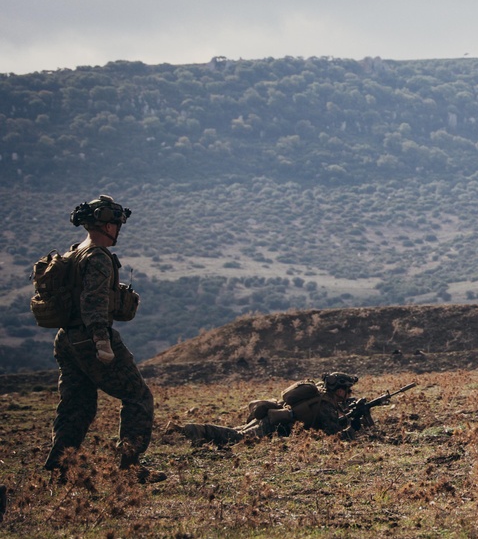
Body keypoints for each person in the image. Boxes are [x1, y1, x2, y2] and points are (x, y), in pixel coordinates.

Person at [43, 195, 165, 484]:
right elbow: (94, 301)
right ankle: (130, 469)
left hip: (67, 339)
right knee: (138, 396)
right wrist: (102, 341)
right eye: (114, 223)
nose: (118, 229)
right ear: (103, 224)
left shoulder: (75, 252)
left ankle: (59, 469)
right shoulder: (97, 257)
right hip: (91, 338)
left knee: (76, 406)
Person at [173, 373, 364, 446]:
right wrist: (353, 426)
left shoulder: (320, 394)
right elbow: (334, 436)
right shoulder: (325, 406)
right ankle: (195, 430)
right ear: (339, 391)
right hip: (273, 425)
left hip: (273, 416)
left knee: (238, 432)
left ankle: (188, 431)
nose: (349, 394)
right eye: (347, 390)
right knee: (236, 437)